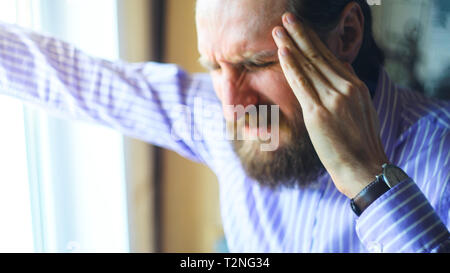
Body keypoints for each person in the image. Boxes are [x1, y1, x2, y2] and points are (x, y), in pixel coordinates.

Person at [0, 0, 448, 253]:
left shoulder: (441, 158)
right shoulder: (220, 119)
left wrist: (370, 180)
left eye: (254, 63)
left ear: (346, 35)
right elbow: (76, 80)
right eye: (213, 66)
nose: (232, 105)